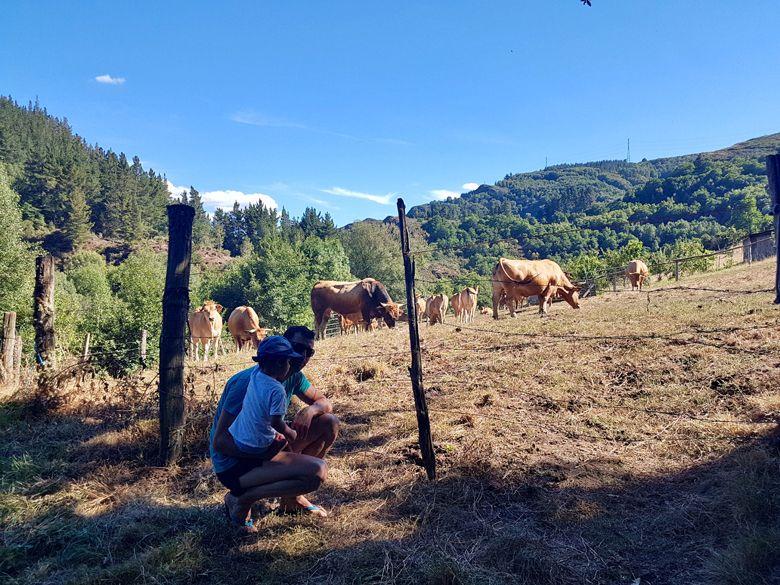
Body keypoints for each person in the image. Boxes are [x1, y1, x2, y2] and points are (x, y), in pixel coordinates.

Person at [210, 326, 338, 532]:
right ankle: (242, 498)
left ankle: (290, 499)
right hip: (235, 461)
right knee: (315, 473)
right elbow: (221, 442)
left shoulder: (293, 375)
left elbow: (324, 402)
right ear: (283, 350)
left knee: (328, 422)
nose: (303, 356)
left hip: (264, 446)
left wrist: (310, 411)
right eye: (297, 348)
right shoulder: (246, 383)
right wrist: (265, 453)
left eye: (309, 352)